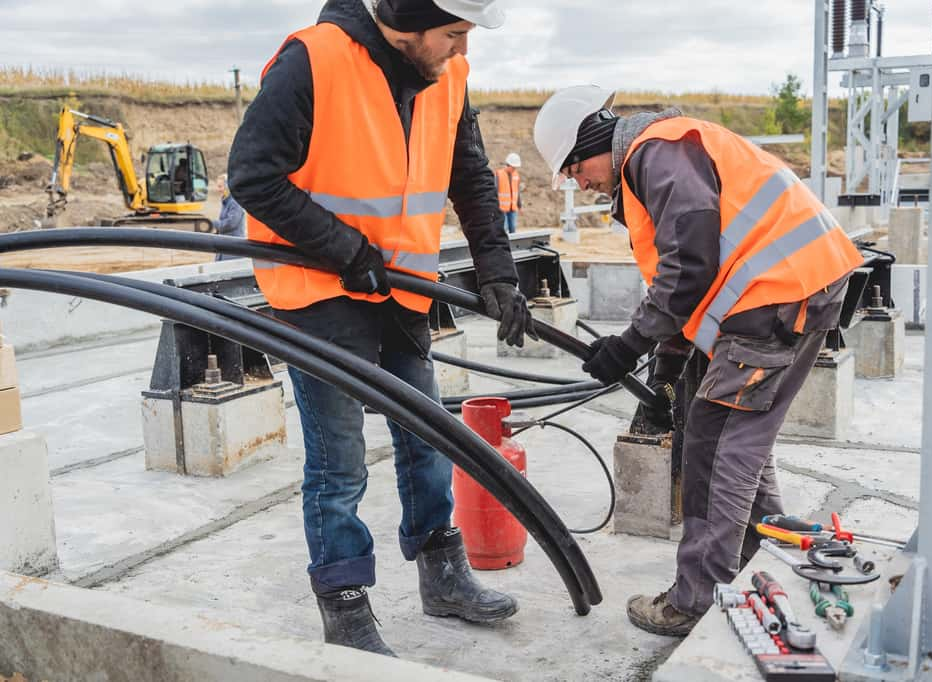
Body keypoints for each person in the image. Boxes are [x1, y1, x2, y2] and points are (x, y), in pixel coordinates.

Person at [228, 0, 535, 658]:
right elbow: (253, 176)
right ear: (409, 20)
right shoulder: (313, 59)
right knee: (339, 466)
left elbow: (473, 180)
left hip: (400, 291)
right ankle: (344, 605)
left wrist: (498, 274)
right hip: (320, 293)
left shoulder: (446, 74)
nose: (461, 48)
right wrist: (344, 249)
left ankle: (442, 575)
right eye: (453, 33)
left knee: (427, 440)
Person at [534, 85, 864, 638]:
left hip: (776, 294)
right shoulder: (664, 156)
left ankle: (697, 599)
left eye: (573, 168)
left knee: (713, 444)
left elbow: (689, 266)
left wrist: (628, 345)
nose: (578, 183)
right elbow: (695, 279)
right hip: (794, 287)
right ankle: (762, 550)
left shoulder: (656, 153)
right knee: (742, 437)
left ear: (592, 140)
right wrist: (665, 365)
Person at [211, 174, 245, 261]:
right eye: (218, 186)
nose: (218, 189)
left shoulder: (234, 202)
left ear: (228, 186)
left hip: (234, 248)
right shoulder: (226, 201)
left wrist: (213, 223)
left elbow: (231, 224)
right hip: (226, 245)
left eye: (220, 186)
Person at [495, 152, 523, 233]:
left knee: (513, 228)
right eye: (514, 167)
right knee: (504, 229)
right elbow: (494, 192)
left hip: (513, 208)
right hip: (502, 209)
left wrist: (520, 206)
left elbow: (517, 193)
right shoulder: (499, 175)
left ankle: (512, 245)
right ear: (508, 164)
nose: (515, 169)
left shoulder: (516, 175)